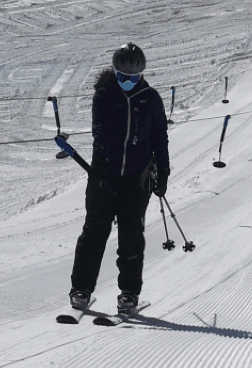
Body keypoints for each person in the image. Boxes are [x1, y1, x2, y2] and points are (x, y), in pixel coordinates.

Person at [69, 42, 169, 316]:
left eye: (133, 78)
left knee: (131, 238)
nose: (127, 82)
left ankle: (128, 295)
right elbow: (99, 133)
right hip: (105, 177)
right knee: (93, 234)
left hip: (136, 181)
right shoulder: (104, 95)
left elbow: (160, 138)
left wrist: (163, 172)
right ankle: (81, 290)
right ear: (115, 73)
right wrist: (100, 167)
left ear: (141, 76)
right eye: (122, 77)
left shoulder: (151, 99)